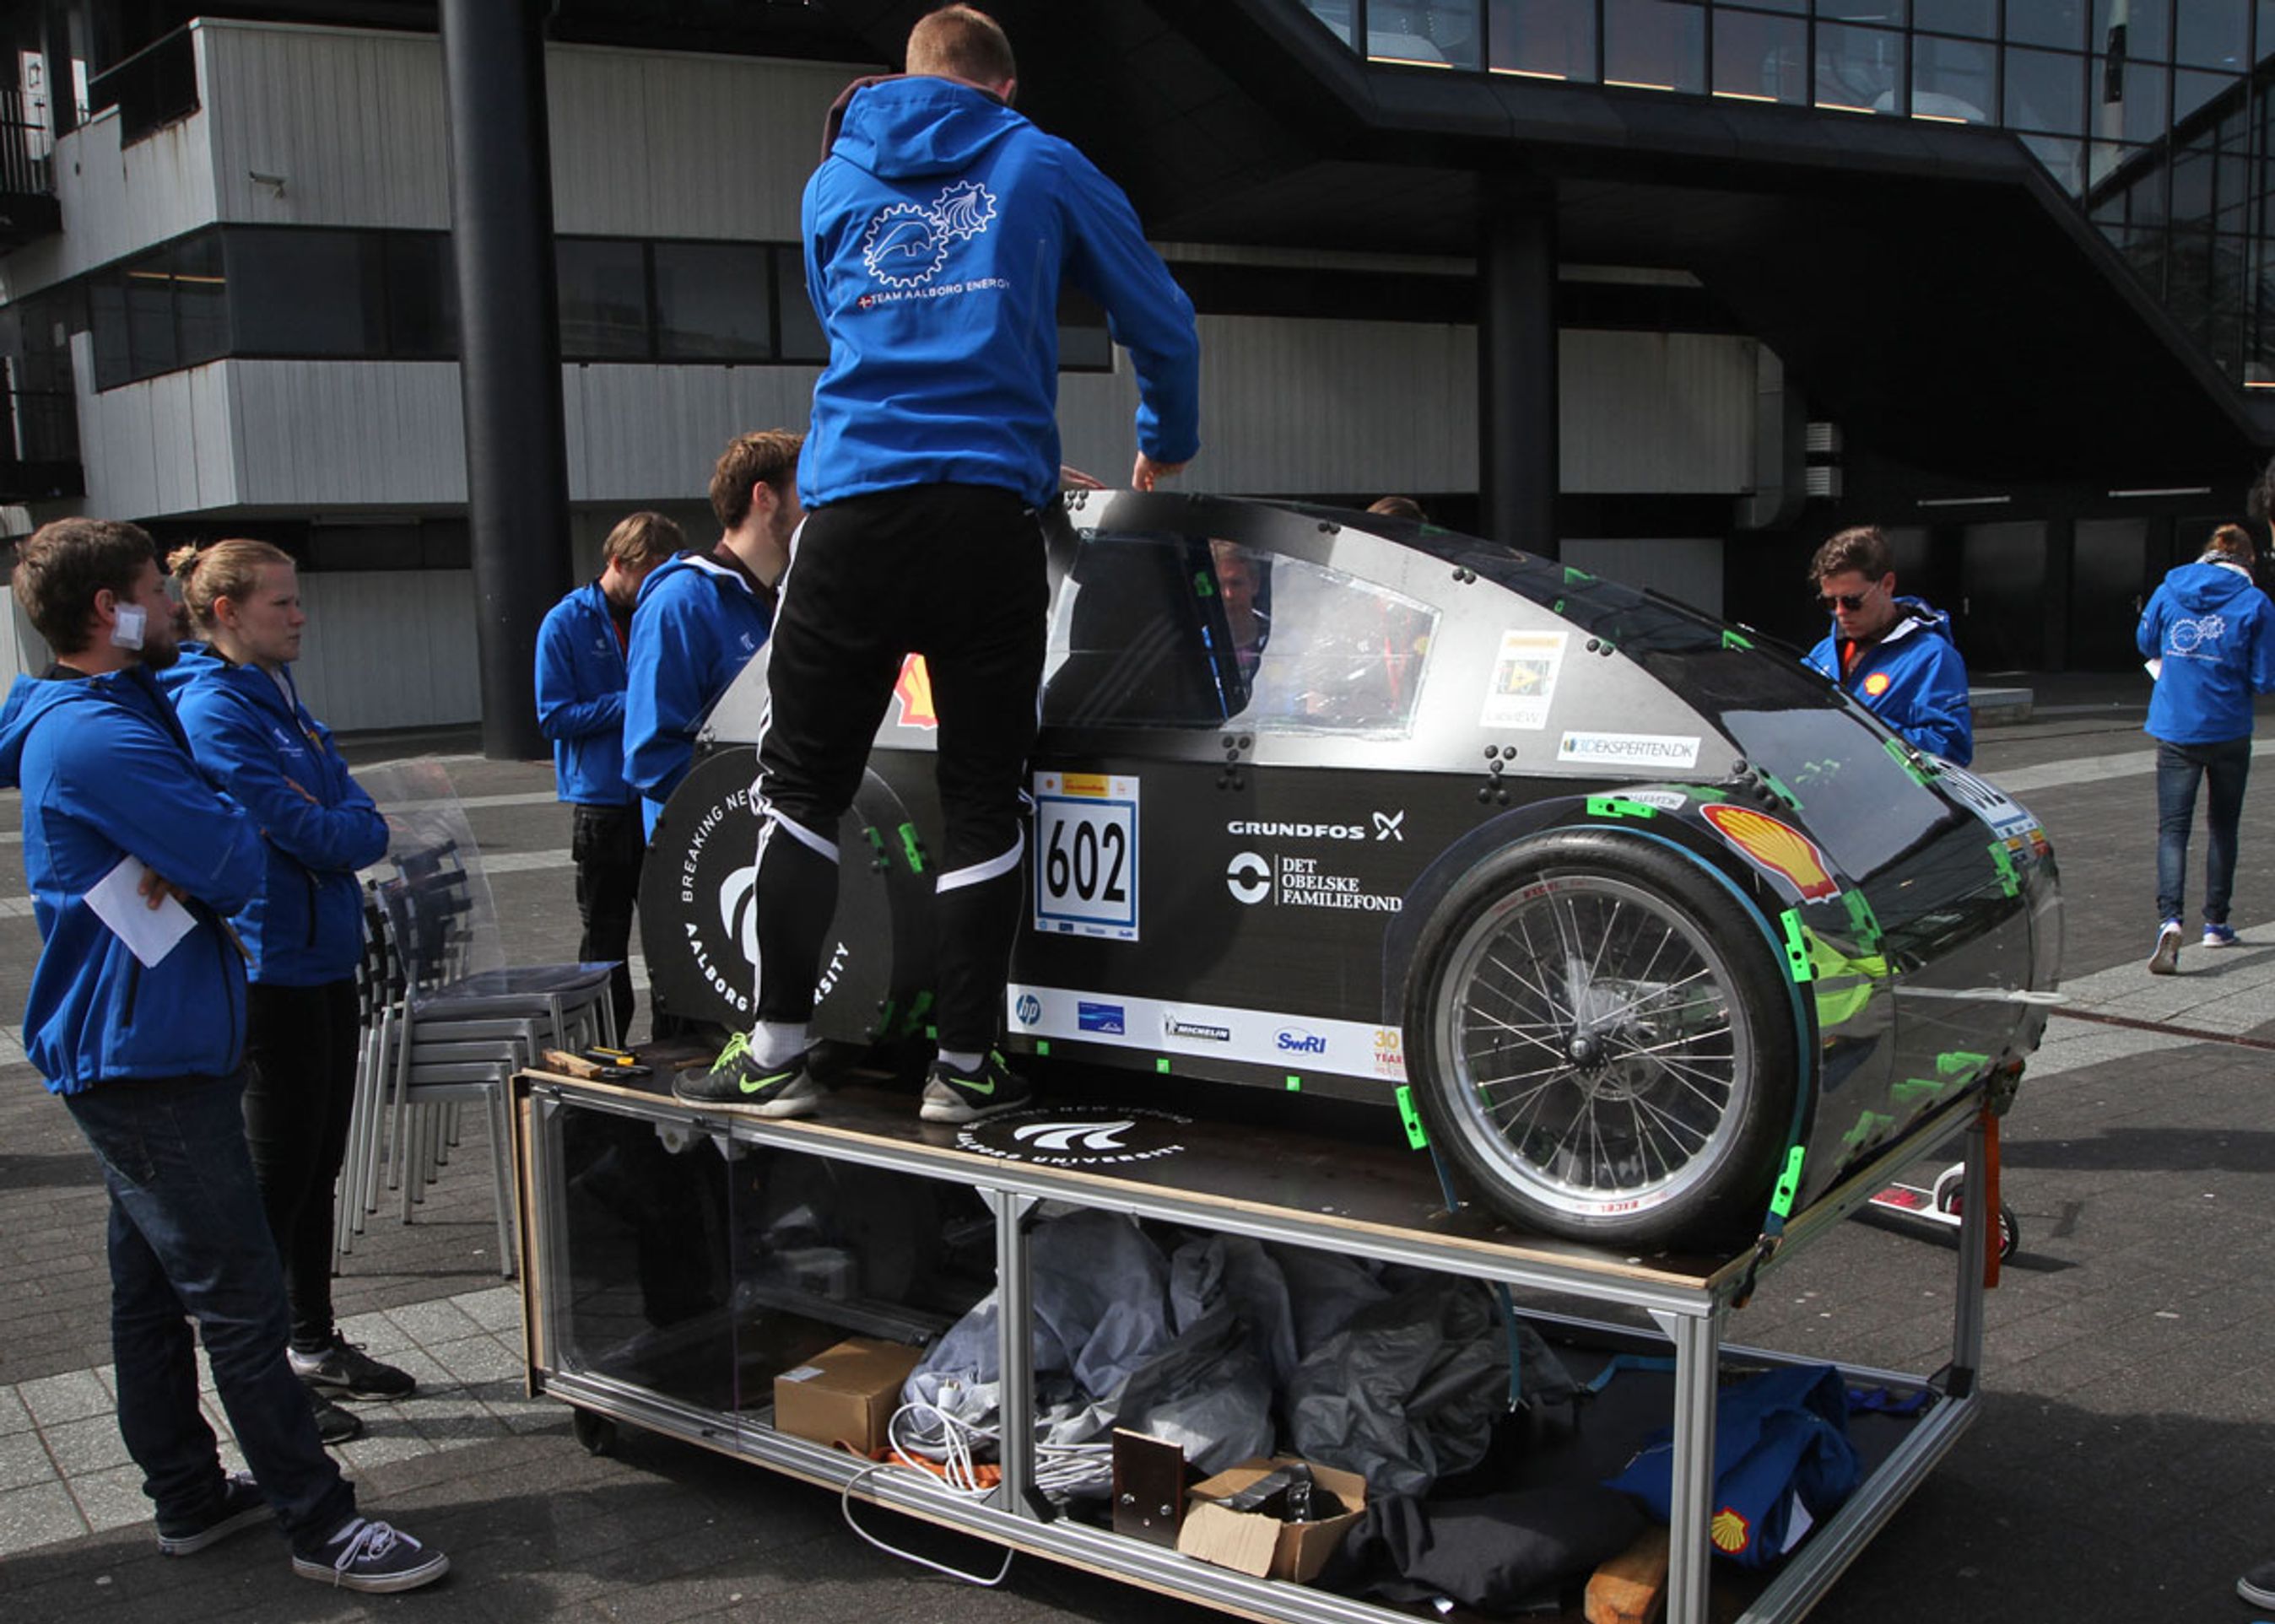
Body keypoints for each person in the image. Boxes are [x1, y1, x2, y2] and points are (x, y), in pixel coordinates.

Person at [684, 3, 1200, 1125]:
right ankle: (965, 1068)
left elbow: (844, 322)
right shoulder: (1040, 161)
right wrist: (1165, 439)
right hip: (984, 515)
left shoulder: (831, 181)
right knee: (982, 796)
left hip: (854, 510)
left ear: (903, 80)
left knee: (803, 786)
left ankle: (775, 1048)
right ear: (1002, 90)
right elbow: (1162, 318)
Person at [0, 519, 446, 1592]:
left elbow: (223, 835)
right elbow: (238, 850)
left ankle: (190, 1496)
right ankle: (320, 1519)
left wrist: (198, 844)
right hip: (144, 1053)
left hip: (158, 1036)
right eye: (158, 589)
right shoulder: (98, 735)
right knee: (240, 1291)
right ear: (111, 611)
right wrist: (201, 844)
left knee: (150, 1287)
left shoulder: (125, 709)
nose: (178, 606)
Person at [166, 539, 410, 1448]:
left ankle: (313, 1337)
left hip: (323, 957)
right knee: (277, 1178)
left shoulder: (278, 697)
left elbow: (350, 810)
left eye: (297, 600)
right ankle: (267, 1372)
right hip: (272, 967)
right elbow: (304, 825)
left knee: (319, 1167)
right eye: (281, 603)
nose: (300, 615)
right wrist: (344, 830)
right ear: (225, 610)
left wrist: (344, 828)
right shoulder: (213, 706)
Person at [537, 510, 682, 1036]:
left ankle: (676, 1040)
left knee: (669, 932)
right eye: (650, 575)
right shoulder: (566, 622)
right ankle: (603, 1043)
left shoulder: (659, 612)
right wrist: (633, 702)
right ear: (618, 563)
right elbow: (553, 715)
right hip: (601, 805)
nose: (658, 588)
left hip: (657, 798)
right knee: (604, 938)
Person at [623, 431, 802, 838]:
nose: (817, 510)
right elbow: (650, 758)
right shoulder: (680, 603)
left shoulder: (781, 601)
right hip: (706, 860)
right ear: (765, 497)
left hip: (766, 843)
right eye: (805, 493)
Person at [2136, 522, 2275, 975]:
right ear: (2248, 561)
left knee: (2173, 831)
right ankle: (2216, 923)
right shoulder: (2256, 603)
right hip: (2229, 729)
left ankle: (2170, 920)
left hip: (2175, 727)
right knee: (2223, 826)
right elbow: (2264, 678)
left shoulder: (2169, 587)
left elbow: (2145, 641)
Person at [1801, 525, 1973, 765]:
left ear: (1887, 584)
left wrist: (1864, 732)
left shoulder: (1932, 657)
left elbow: (1951, 749)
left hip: (1892, 799)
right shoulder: (1822, 653)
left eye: (1852, 601)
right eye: (1829, 602)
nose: (1840, 613)